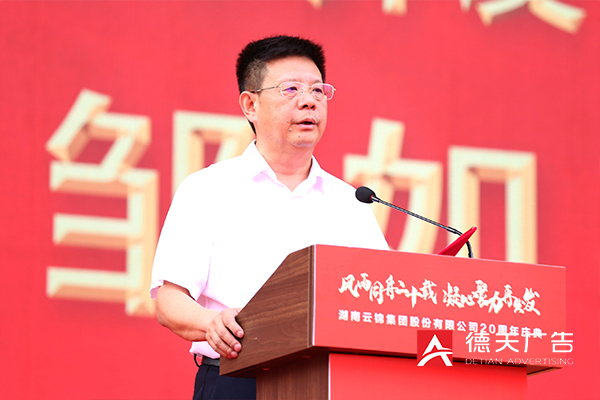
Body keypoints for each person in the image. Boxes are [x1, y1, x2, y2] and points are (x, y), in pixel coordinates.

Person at [150, 35, 389, 400]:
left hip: (327, 386)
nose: (308, 101)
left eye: (318, 90)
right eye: (290, 89)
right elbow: (170, 300)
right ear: (250, 104)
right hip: (238, 379)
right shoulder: (209, 188)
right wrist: (212, 323)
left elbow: (382, 297)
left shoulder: (350, 202)